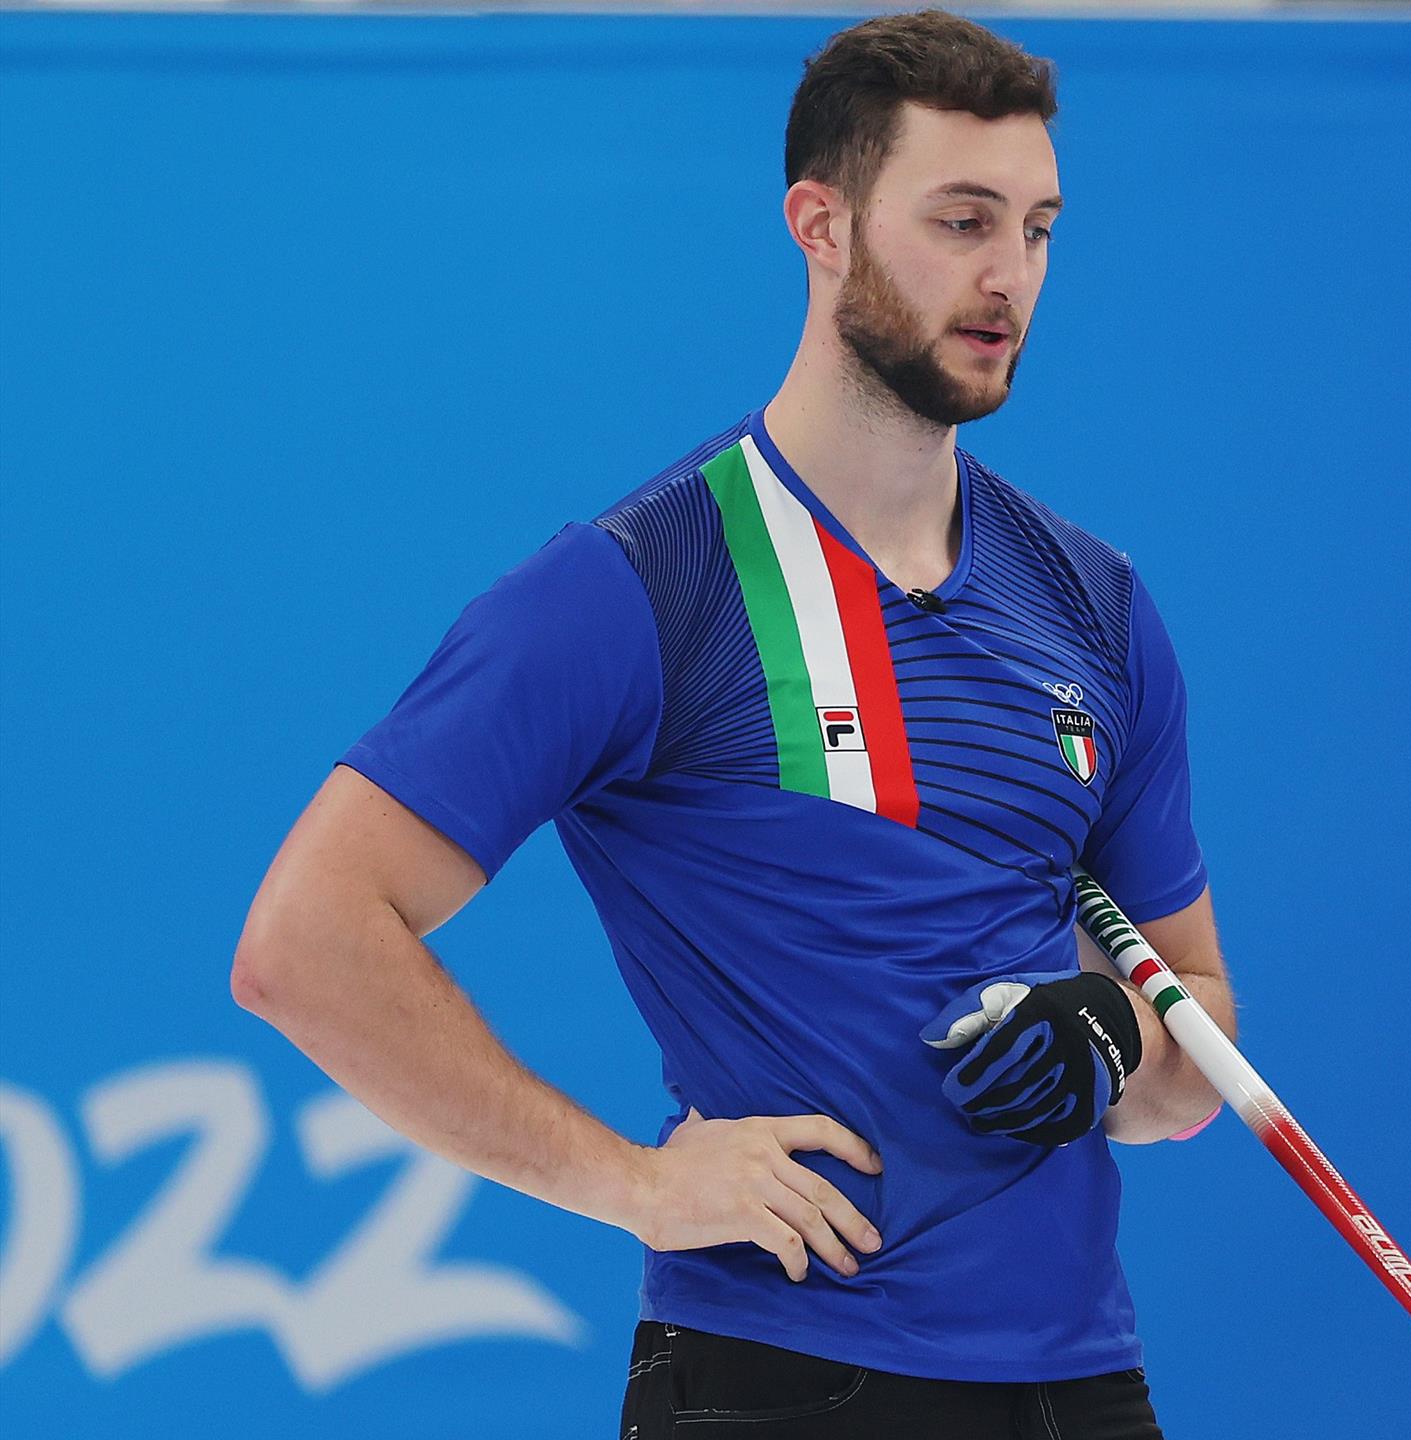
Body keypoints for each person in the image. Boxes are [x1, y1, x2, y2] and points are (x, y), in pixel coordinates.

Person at [231, 14, 1229, 1438]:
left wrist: (1118, 1044)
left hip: (1082, 1386)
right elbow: (303, 945)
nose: (1008, 276)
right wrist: (631, 1183)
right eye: (960, 221)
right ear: (819, 225)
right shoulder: (644, 583)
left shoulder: (1096, 604)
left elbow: (1196, 1045)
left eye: (1039, 228)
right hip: (784, 1380)